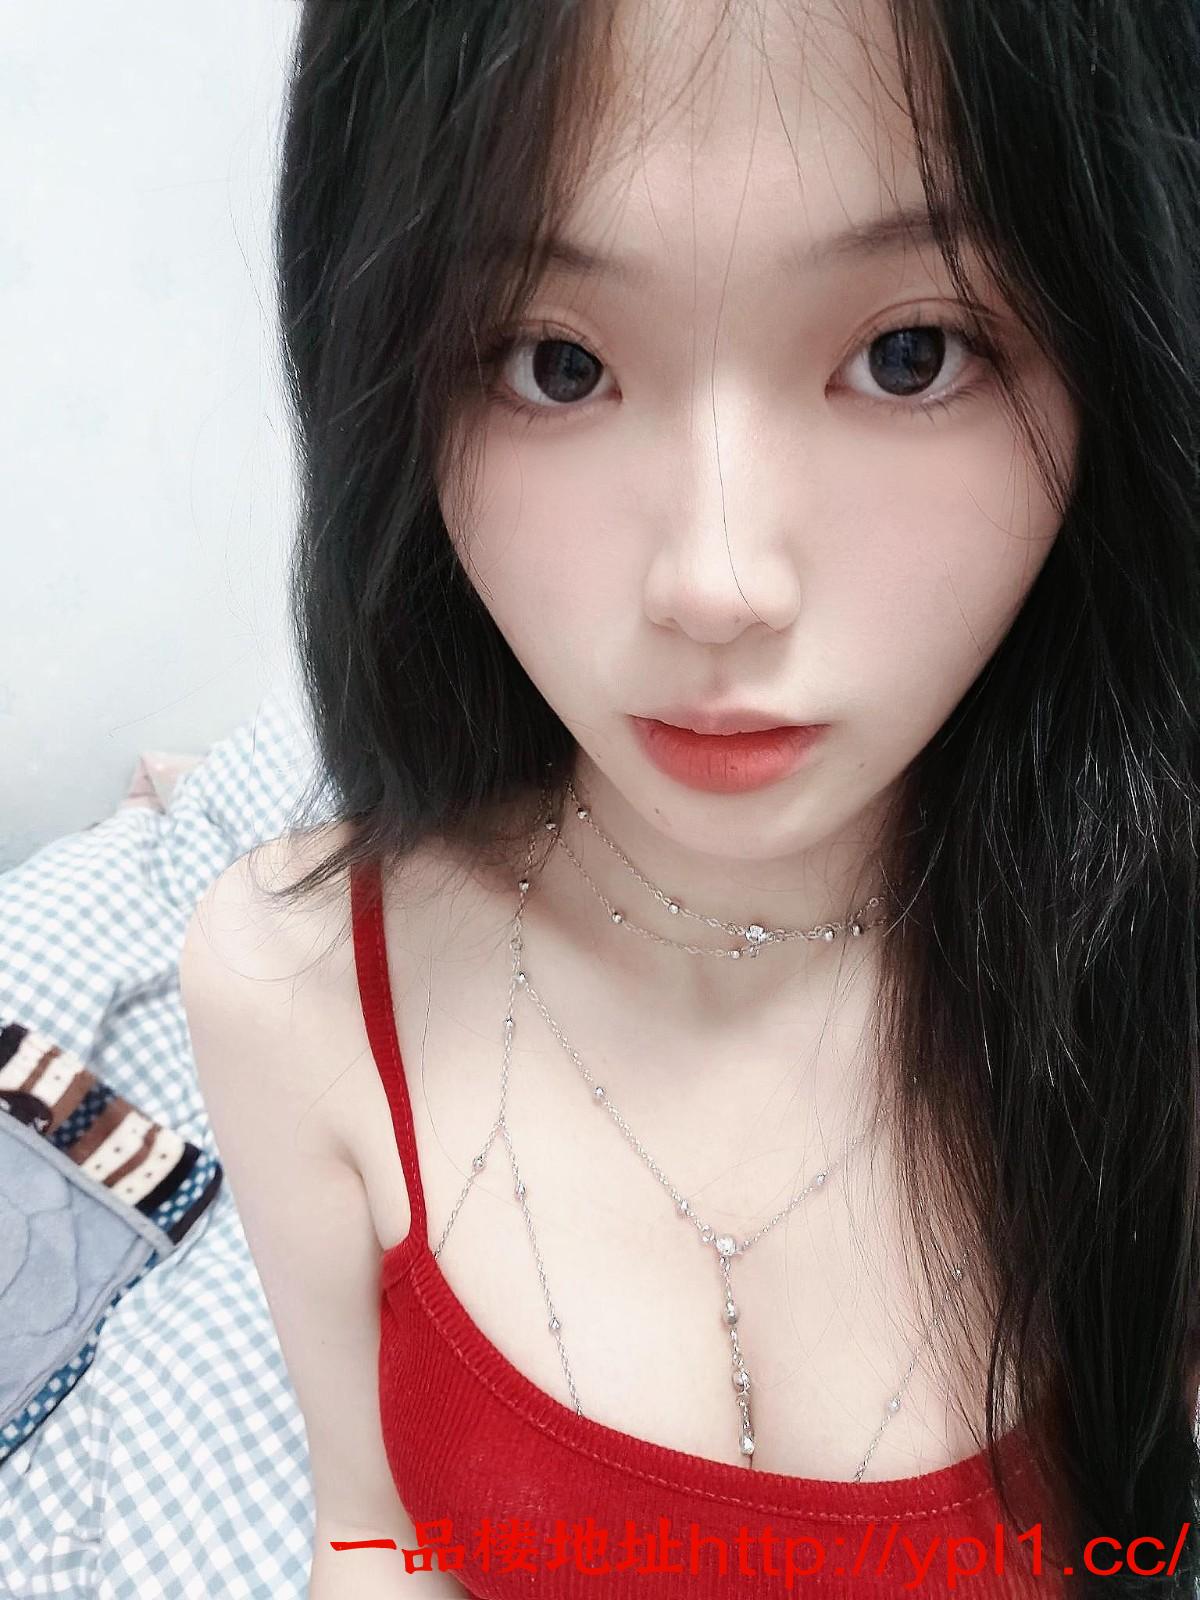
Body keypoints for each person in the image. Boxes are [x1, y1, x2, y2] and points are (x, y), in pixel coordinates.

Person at [179, 0, 1200, 1594]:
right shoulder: (292, 987)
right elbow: (372, 1530)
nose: (717, 584)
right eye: (558, 363)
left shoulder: (1152, 986)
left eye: (910, 354)